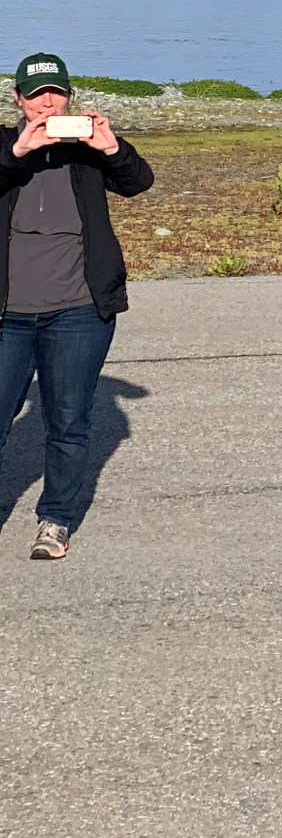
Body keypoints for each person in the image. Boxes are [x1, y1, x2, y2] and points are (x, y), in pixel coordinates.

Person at [0, 52, 154, 560]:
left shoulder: (88, 149)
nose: (48, 103)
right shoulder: (6, 142)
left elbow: (139, 181)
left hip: (79, 312)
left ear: (70, 98)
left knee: (68, 420)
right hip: (9, 316)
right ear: (18, 99)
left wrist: (111, 147)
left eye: (57, 93)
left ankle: (56, 520)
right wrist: (19, 150)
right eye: (37, 94)